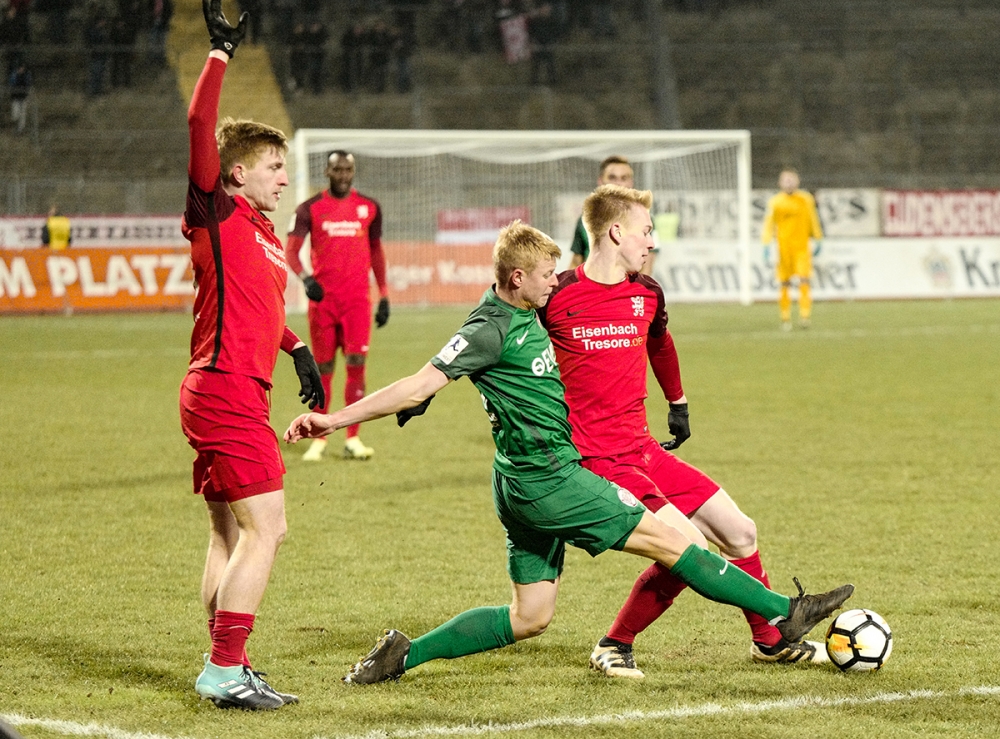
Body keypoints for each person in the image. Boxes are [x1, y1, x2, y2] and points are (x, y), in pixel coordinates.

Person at [283, 220, 854, 685]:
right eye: (545, 276)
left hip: (516, 482)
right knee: (677, 543)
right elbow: (416, 383)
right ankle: (782, 612)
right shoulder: (491, 327)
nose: (554, 283)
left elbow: (447, 377)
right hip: (551, 480)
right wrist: (333, 419)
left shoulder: (516, 310)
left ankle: (404, 654)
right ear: (516, 277)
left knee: (530, 616)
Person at [542, 184, 828, 679]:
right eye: (646, 231)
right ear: (616, 232)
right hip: (596, 458)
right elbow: (506, 340)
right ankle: (614, 643)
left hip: (642, 449)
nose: (652, 241)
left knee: (740, 531)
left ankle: (768, 641)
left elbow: (660, 341)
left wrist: (678, 402)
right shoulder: (558, 294)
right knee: (687, 546)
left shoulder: (647, 292)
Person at [179, 0, 324, 711]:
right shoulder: (216, 209)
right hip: (228, 390)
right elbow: (199, 122)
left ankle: (227, 661)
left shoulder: (264, 235)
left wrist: (296, 347)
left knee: (229, 533)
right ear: (236, 172)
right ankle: (223, 668)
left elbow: (257, 309)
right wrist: (219, 52)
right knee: (269, 529)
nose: (283, 177)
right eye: (273, 165)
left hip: (226, 387)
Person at [285, 151, 390, 462]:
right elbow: (291, 251)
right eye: (337, 170)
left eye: (348, 169)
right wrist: (306, 279)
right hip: (324, 304)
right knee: (324, 369)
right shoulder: (309, 208)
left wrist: (384, 294)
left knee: (357, 365)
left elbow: (376, 252)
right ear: (327, 172)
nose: (343, 175)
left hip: (357, 303)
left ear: (353, 171)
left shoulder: (370, 207)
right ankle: (319, 439)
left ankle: (353, 438)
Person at [569, 155, 658, 275]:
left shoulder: (645, 220)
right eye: (612, 177)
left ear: (631, 182)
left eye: (624, 178)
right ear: (600, 181)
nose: (618, 183)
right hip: (591, 284)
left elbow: (646, 268)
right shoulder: (585, 219)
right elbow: (575, 262)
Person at [761, 168, 823, 331]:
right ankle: (785, 318)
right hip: (783, 248)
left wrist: (818, 238)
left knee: (804, 280)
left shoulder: (806, 199)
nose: (789, 183)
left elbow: (813, 219)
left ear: (798, 181)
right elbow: (769, 223)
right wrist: (766, 243)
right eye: (785, 180)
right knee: (784, 283)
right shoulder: (775, 202)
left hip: (802, 248)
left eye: (791, 179)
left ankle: (804, 316)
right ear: (780, 183)